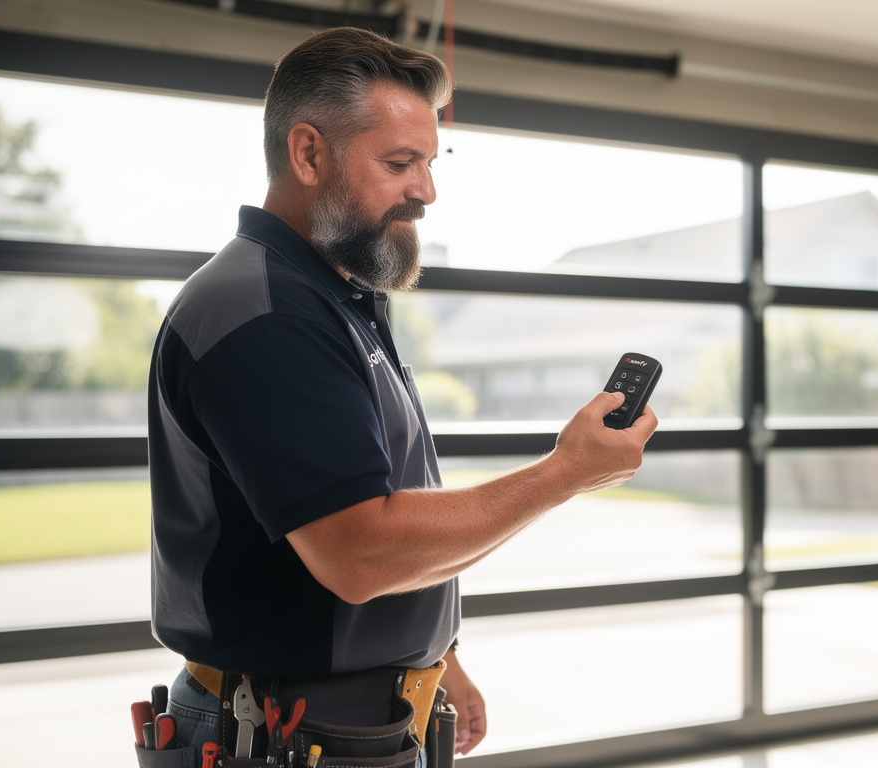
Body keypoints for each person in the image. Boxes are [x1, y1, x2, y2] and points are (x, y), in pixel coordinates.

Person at [147, 25, 657, 767]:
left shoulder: (330, 297)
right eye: (400, 162)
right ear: (309, 153)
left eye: (428, 161)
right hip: (288, 734)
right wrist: (563, 474)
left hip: (352, 720)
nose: (426, 189)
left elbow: (365, 504)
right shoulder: (266, 314)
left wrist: (433, 658)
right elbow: (360, 552)